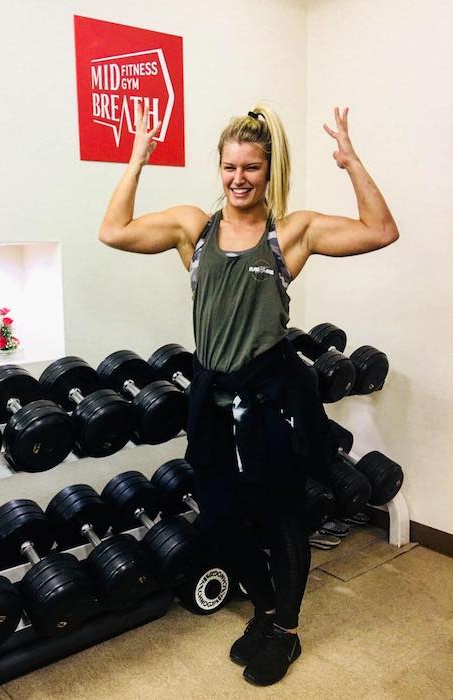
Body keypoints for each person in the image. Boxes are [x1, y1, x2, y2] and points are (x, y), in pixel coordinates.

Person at [98, 103, 399, 686]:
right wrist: (138, 158)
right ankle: (262, 609)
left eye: (252, 168)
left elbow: (381, 230)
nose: (240, 178)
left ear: (269, 171)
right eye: (231, 166)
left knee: (280, 518)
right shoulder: (195, 228)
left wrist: (350, 160)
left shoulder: (290, 233)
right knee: (220, 519)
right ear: (219, 167)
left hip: (271, 406)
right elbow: (114, 230)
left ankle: (285, 631)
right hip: (211, 403)